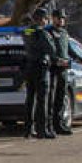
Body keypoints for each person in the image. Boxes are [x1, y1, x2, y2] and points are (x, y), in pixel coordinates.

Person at [22, 7, 56, 139]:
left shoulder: (27, 31)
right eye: (46, 18)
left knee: (30, 98)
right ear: (42, 19)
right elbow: (51, 49)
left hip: (29, 66)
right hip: (41, 67)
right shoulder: (42, 33)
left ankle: (28, 129)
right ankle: (42, 129)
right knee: (42, 100)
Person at [48, 8, 73, 136]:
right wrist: (56, 60)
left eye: (63, 18)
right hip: (53, 69)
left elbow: (68, 49)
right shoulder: (49, 32)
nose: (62, 20)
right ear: (53, 18)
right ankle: (50, 125)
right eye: (59, 18)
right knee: (51, 98)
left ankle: (59, 124)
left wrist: (79, 59)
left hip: (64, 70)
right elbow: (49, 50)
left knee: (61, 98)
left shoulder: (64, 33)